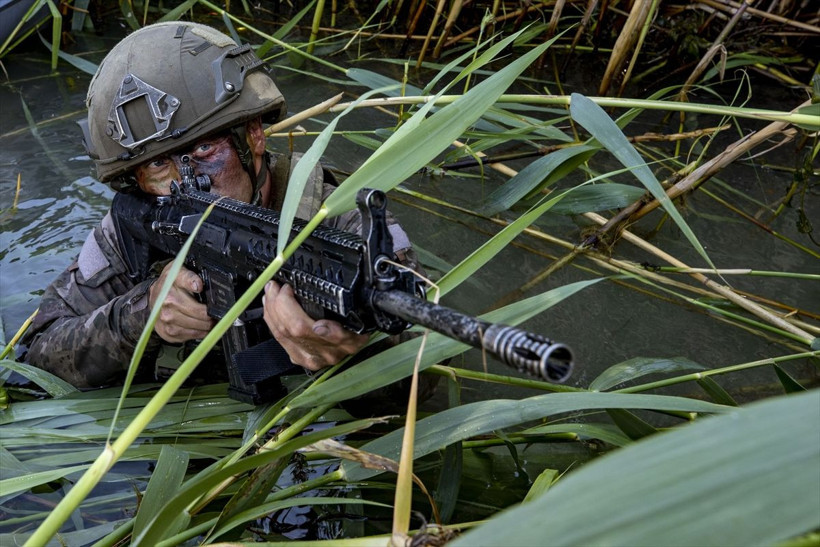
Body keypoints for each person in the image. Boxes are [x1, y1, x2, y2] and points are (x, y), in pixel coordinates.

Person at [22, 21, 422, 394]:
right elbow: (39, 357)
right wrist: (142, 315)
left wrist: (352, 354)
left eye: (203, 149)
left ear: (254, 135)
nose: (185, 181)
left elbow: (428, 374)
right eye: (159, 164)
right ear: (136, 180)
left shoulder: (342, 224)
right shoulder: (133, 226)